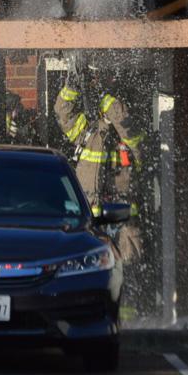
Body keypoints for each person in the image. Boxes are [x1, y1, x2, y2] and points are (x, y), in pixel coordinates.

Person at [53, 75, 144, 264]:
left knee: (126, 270)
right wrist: (72, 86)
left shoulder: (129, 134)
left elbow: (127, 128)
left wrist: (108, 102)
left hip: (121, 221)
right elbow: (63, 112)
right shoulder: (87, 133)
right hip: (92, 221)